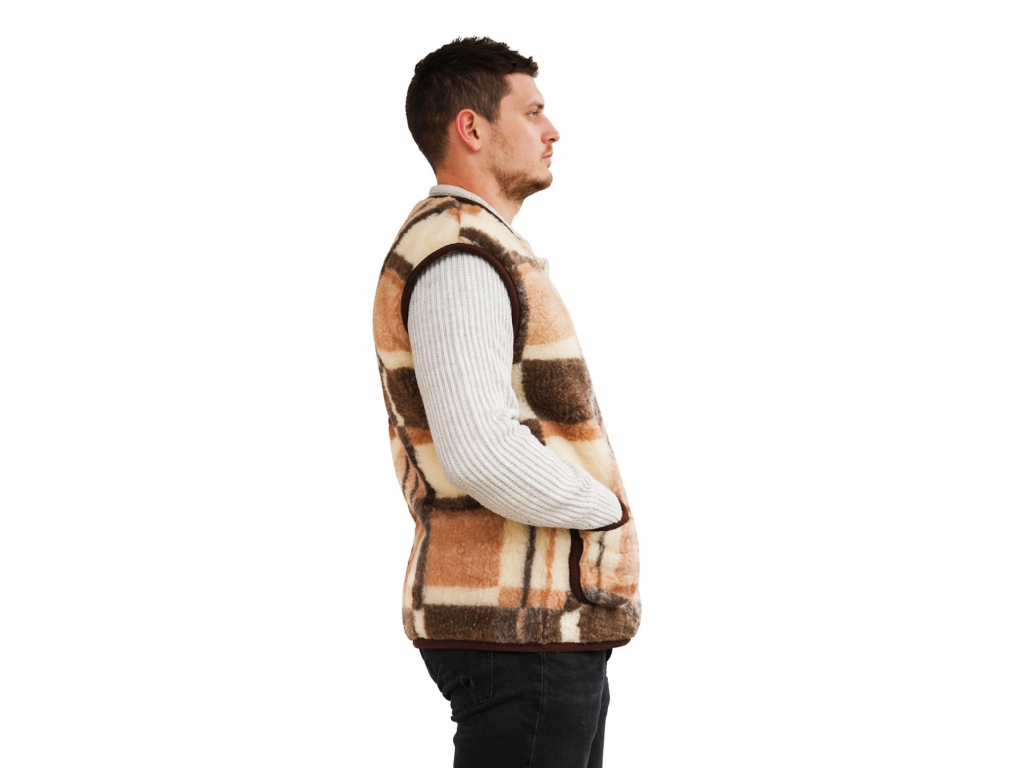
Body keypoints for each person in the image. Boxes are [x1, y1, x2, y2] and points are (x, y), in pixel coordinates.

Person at [371, 36, 641, 768]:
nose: (553, 130)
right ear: (472, 127)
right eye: (533, 111)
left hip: (534, 628)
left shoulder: (475, 243)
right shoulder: (460, 251)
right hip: (518, 631)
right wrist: (605, 513)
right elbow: (480, 448)